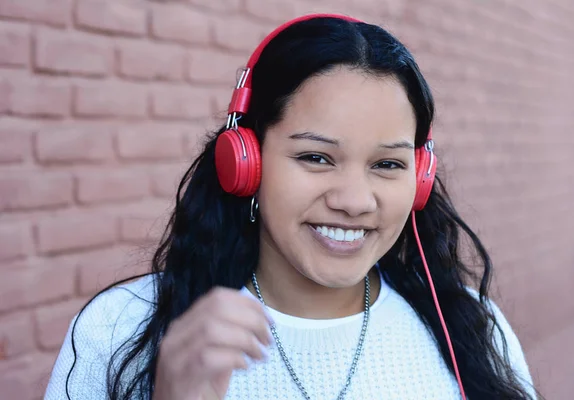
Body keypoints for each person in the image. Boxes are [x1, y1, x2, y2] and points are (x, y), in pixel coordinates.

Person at [44, 13, 539, 400]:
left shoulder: (470, 327)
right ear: (246, 164)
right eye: (316, 157)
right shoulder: (117, 330)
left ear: (420, 178)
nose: (354, 201)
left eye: (388, 165)